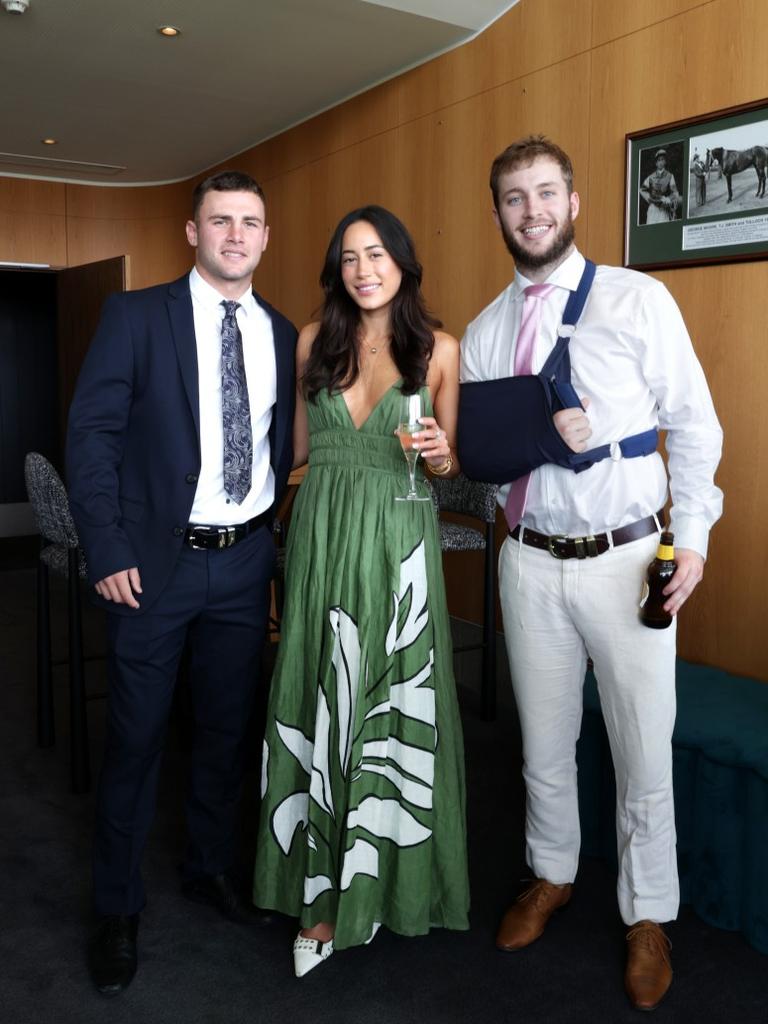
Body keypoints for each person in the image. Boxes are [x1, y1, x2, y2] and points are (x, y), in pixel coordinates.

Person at [460, 136, 722, 1011]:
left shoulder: (637, 300)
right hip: (529, 565)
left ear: (573, 203)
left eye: (544, 194)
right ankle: (552, 873)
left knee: (644, 748)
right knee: (542, 743)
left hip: (626, 560)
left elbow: (693, 427)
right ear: (497, 213)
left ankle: (649, 915)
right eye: (512, 198)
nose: (530, 211)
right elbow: (487, 459)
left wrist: (694, 541)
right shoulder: (489, 330)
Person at [66, 170, 297, 996]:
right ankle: (117, 908)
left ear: (267, 237)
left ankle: (208, 870)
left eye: (251, 222)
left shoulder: (280, 332)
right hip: (151, 567)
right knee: (135, 740)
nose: (236, 234)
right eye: (220, 220)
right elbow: (91, 435)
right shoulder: (136, 316)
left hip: (243, 564)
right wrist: (109, 545)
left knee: (227, 733)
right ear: (191, 232)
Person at [253, 205, 470, 977]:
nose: (363, 269)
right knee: (320, 689)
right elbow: (300, 456)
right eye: (348, 258)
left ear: (403, 263)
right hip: (321, 530)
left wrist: (443, 455)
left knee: (387, 697)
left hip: (400, 537)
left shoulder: (440, 347)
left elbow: (447, 467)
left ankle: (380, 888)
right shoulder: (315, 339)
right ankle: (316, 895)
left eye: (376, 254)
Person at [639, 148, 680, 223]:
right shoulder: (651, 177)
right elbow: (642, 190)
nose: (661, 162)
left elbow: (675, 193)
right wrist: (650, 199)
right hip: (653, 208)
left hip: (663, 209)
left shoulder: (670, 176)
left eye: (663, 159)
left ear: (665, 162)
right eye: (659, 160)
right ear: (656, 163)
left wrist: (668, 199)